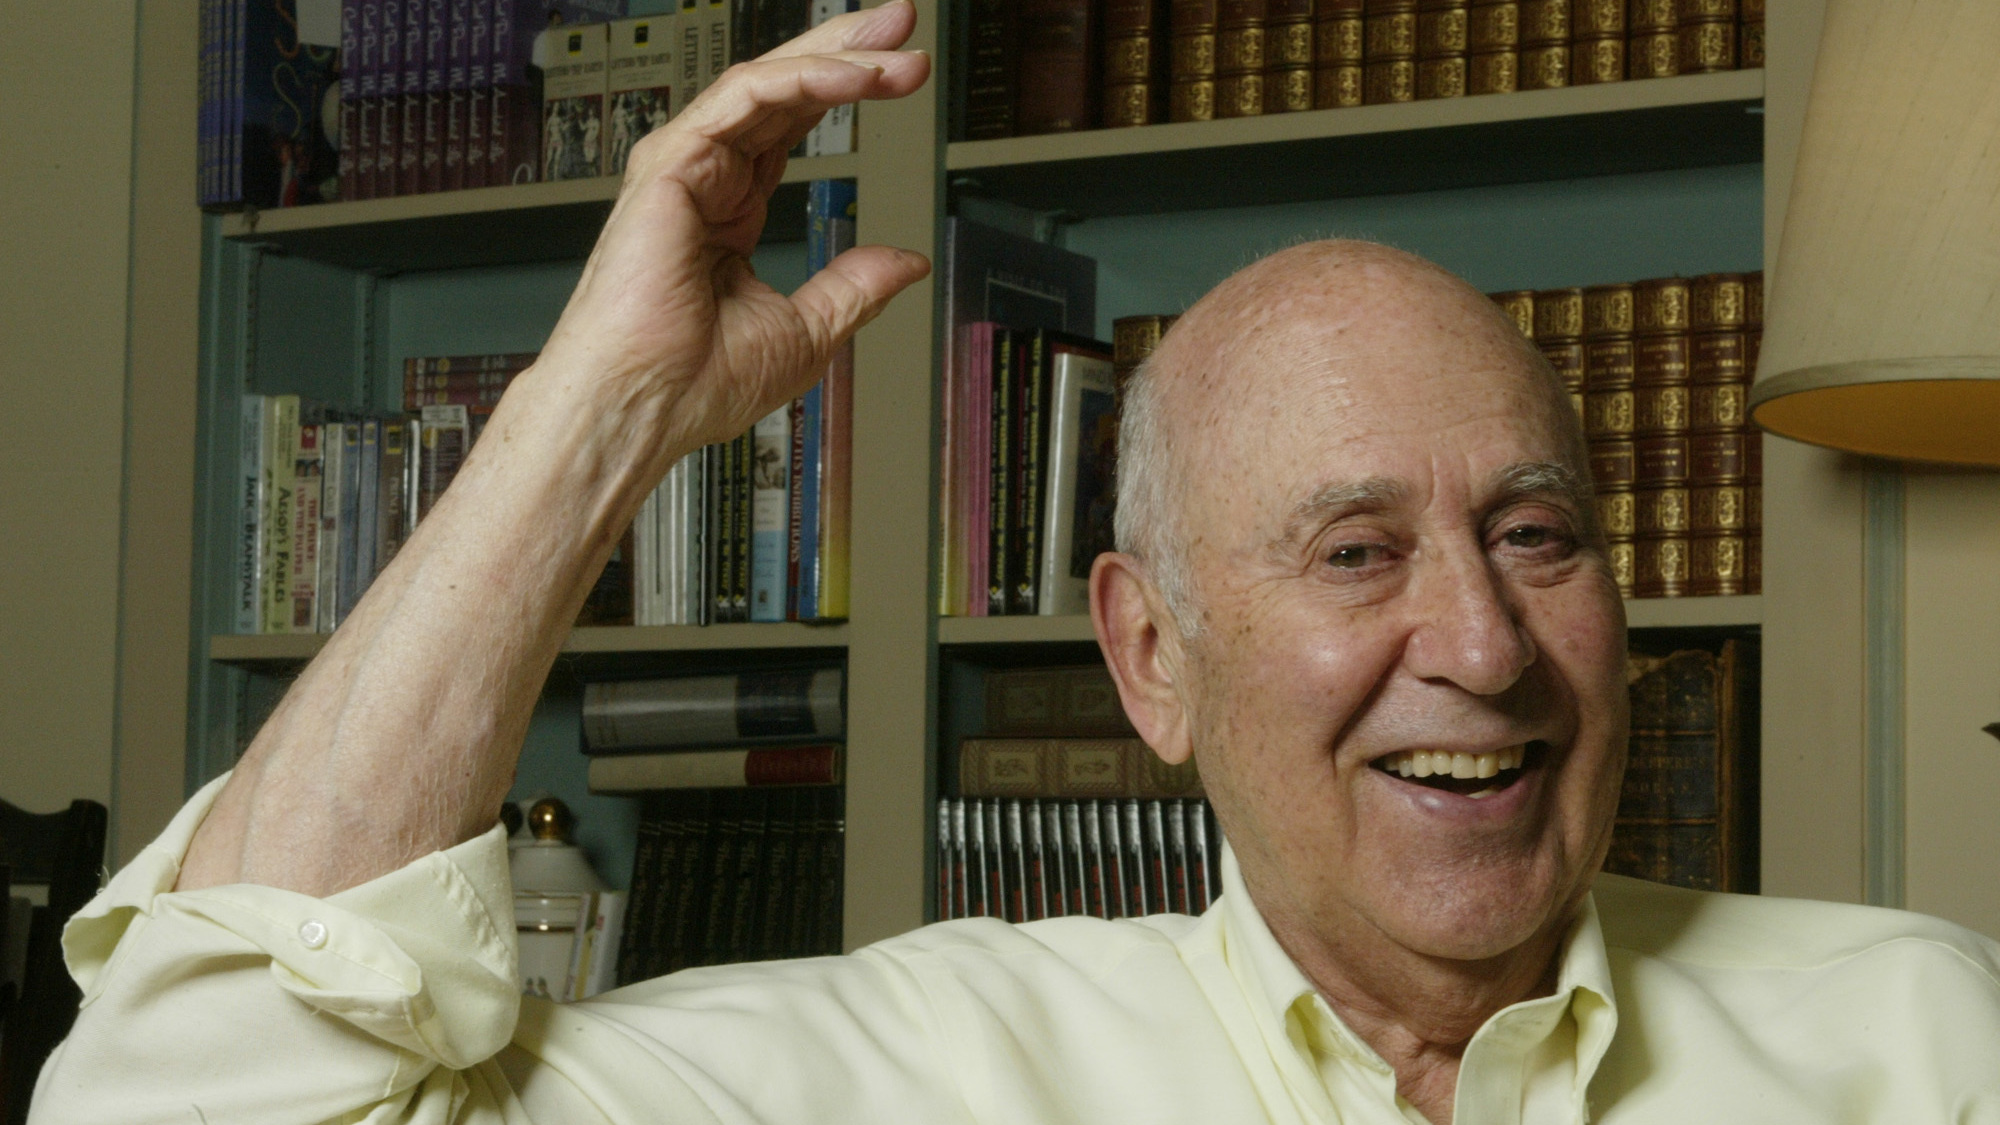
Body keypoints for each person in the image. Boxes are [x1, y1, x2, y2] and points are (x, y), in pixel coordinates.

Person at [30, 6, 2000, 1123]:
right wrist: (593, 417)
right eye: (1353, 548)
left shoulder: (1922, 1031)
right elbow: (187, 1103)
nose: (1477, 640)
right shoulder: (913, 1069)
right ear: (1149, 656)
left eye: (1534, 534)